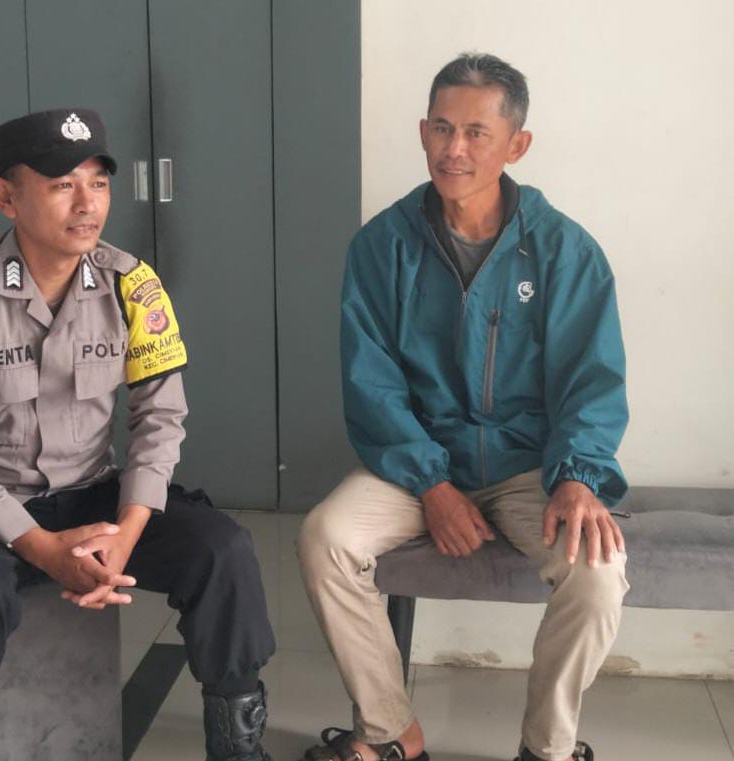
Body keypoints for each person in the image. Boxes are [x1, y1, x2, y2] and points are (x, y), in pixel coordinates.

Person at [0, 107, 276, 761]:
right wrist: (41, 547)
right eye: (61, 184)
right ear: (6, 197)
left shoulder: (134, 285)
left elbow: (160, 417)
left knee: (224, 550)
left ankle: (238, 744)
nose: (87, 203)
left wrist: (126, 532)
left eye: (98, 182)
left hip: (92, 494)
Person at [298, 54, 629, 761]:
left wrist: (578, 476)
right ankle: (393, 731)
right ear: (422, 133)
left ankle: (547, 748)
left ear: (517, 145)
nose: (455, 149)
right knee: (326, 537)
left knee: (598, 573)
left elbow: (591, 380)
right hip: (414, 463)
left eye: (478, 132)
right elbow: (371, 383)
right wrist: (433, 484)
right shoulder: (381, 246)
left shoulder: (564, 251)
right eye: (443, 128)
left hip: (528, 467)